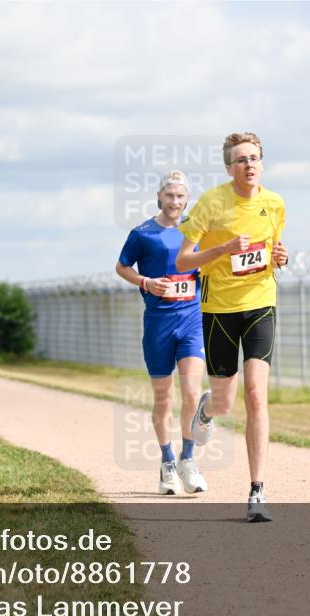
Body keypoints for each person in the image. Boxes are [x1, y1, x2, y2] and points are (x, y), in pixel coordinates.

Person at [175, 132, 288, 522]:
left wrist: (281, 257)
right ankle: (208, 410)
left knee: (256, 394)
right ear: (229, 168)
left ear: (262, 163)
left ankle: (257, 490)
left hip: (260, 302)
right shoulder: (212, 202)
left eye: (254, 158)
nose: (249, 164)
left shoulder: (275, 203)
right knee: (225, 400)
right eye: (241, 159)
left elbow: (273, 252)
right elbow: (183, 261)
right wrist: (223, 249)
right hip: (219, 309)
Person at [116, 170, 208, 496]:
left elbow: (212, 261)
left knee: (193, 393)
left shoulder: (196, 231)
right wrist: (145, 282)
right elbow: (122, 266)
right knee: (164, 397)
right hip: (158, 324)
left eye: (181, 196)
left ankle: (188, 459)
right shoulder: (143, 234)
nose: (175, 201)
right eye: (170, 195)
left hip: (192, 320)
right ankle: (167, 462)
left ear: (187, 199)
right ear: (159, 197)